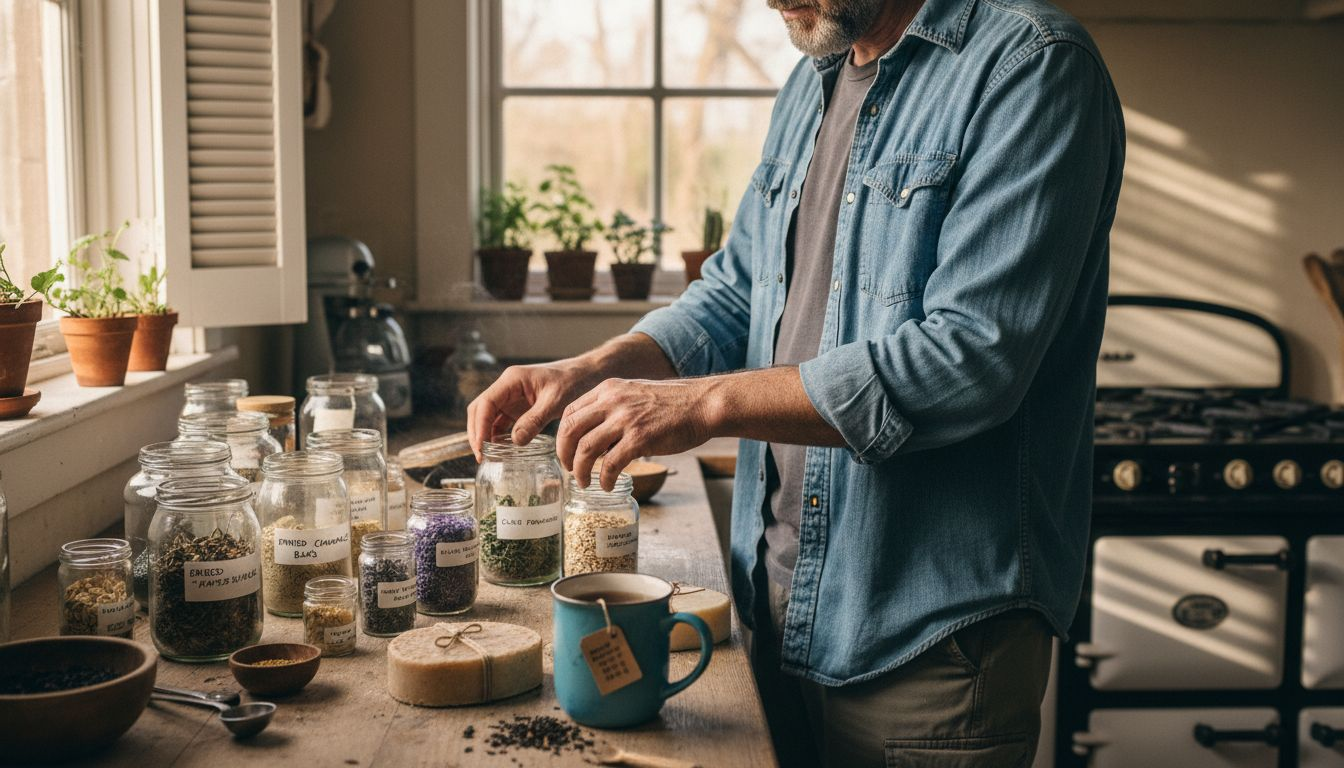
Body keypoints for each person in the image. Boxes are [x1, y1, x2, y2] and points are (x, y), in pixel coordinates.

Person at [468, 0, 1124, 764]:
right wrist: (589, 369)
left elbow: (970, 359)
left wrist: (707, 402)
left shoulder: (1032, 68)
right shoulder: (813, 80)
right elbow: (737, 291)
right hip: (776, 604)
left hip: (927, 639)